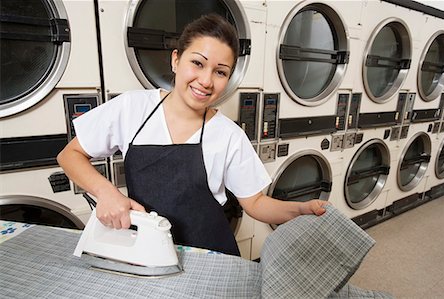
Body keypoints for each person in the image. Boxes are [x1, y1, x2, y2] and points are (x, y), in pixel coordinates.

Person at [57, 14, 328, 256]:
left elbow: (256, 203)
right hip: (149, 251)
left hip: (210, 254)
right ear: (176, 60)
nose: (206, 81)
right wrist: (107, 193)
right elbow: (70, 155)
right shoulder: (132, 108)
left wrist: (301, 210)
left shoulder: (228, 135)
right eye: (197, 63)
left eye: (220, 72)